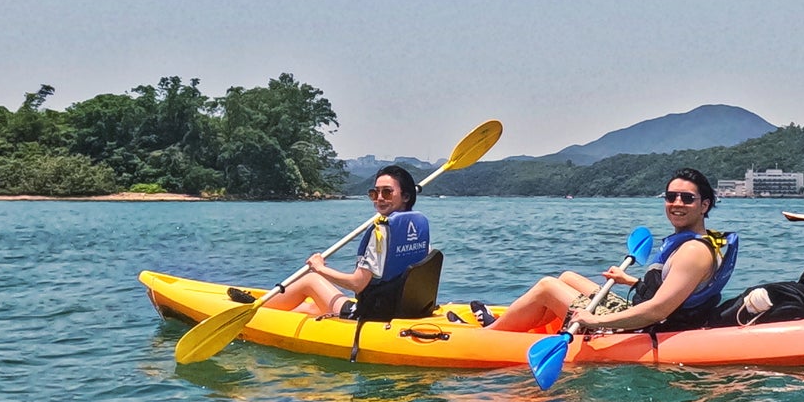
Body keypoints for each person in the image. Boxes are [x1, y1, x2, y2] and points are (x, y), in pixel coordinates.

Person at [484, 168, 738, 335]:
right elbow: (677, 290)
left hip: (644, 329)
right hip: (650, 318)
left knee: (547, 286)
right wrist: (631, 281)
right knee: (567, 277)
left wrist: (594, 321)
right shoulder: (702, 241)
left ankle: (492, 335)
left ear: (704, 205)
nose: (677, 203)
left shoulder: (693, 251)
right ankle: (521, 327)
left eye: (687, 198)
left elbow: (659, 310)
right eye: (671, 196)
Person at [263, 165, 430, 318]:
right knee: (313, 309)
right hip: (402, 308)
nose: (379, 198)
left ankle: (257, 312)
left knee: (310, 280)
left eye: (387, 192)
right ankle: (275, 315)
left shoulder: (381, 233)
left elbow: (357, 284)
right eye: (375, 193)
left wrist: (319, 268)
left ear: (406, 196)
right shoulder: (417, 226)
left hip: (373, 313)